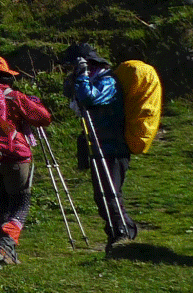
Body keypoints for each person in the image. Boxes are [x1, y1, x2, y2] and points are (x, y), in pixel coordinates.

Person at [0, 54, 53, 265]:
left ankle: (6, 252)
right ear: (6, 77)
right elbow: (43, 118)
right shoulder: (14, 97)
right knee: (21, 202)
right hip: (15, 155)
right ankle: (5, 242)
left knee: (2, 203)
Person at [63, 43, 138, 248]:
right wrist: (77, 77)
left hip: (113, 147)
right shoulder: (92, 78)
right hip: (97, 144)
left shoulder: (107, 81)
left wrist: (83, 76)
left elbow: (89, 98)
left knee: (110, 192)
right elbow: (71, 94)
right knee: (100, 195)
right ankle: (115, 233)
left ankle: (123, 232)